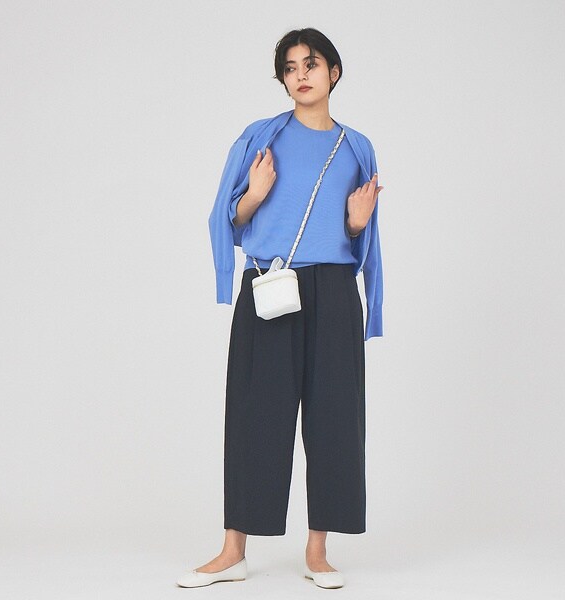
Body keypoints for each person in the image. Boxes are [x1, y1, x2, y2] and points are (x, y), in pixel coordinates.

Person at [177, 27, 383, 589]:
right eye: (290, 68)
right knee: (254, 415)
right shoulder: (261, 138)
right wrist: (255, 193)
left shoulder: (357, 147)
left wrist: (356, 224)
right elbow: (229, 218)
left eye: (310, 64)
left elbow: (359, 236)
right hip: (270, 285)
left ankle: (318, 551)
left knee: (334, 417)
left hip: (334, 290)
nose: (301, 75)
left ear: (333, 73)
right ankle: (232, 552)